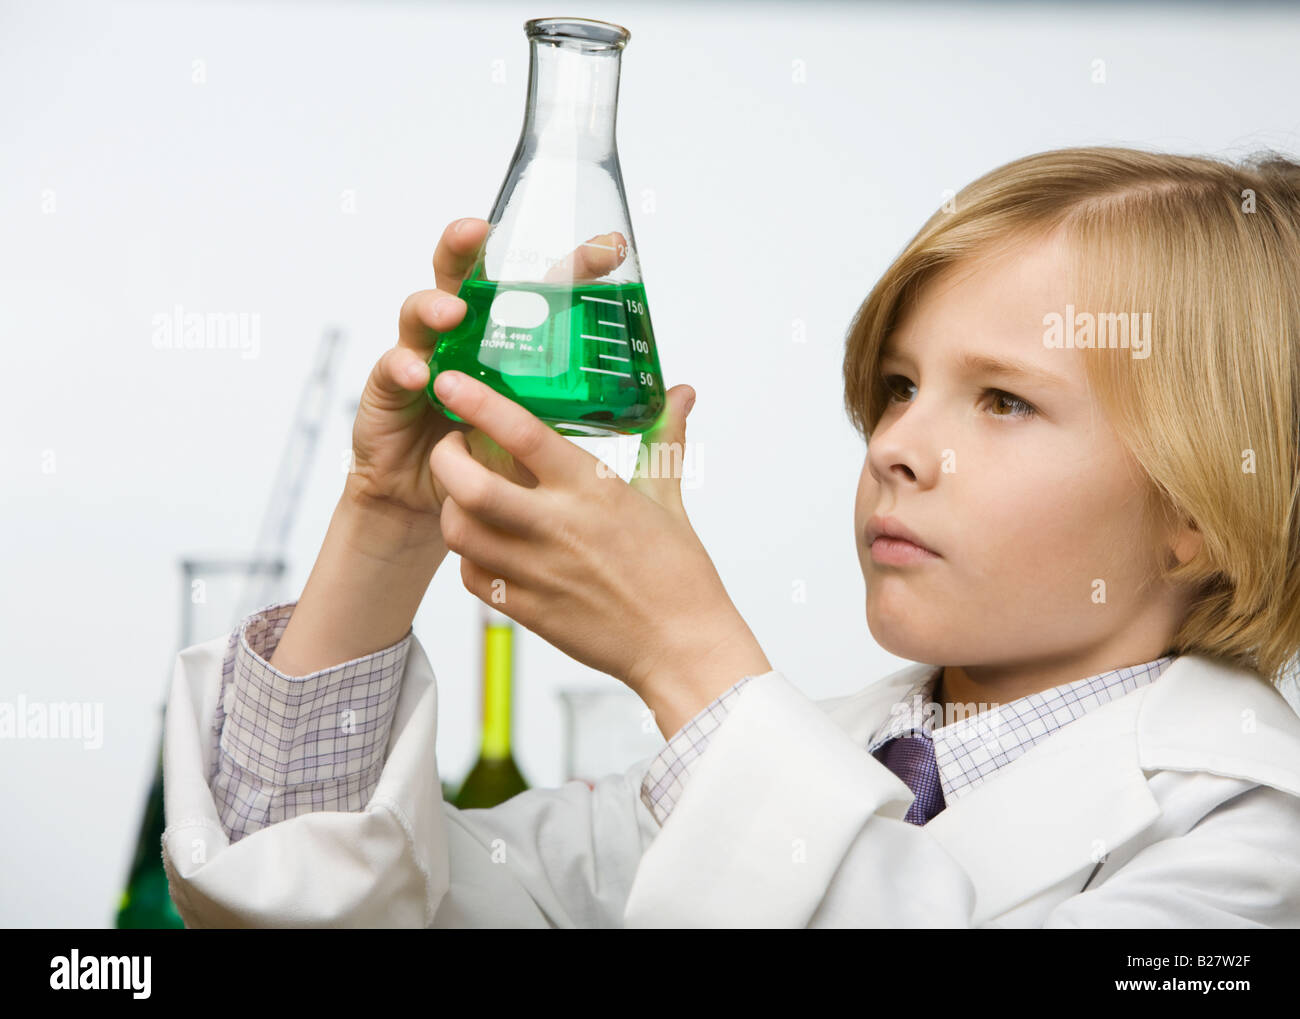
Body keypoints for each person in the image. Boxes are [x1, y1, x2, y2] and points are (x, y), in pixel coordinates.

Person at [161, 146, 1300, 928]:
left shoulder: (1254, 842)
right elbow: (325, 902)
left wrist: (686, 655)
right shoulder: (778, 762)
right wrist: (390, 524)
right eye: (897, 385)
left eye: (1002, 400)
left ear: (1198, 511)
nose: (895, 444)